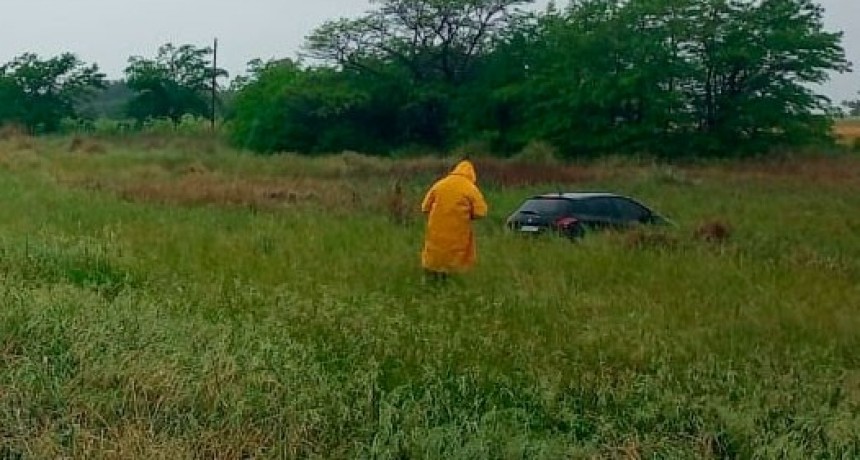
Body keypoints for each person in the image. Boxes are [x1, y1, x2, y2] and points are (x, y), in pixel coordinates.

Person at [420, 159, 488, 281]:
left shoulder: (440, 184)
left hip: (436, 230)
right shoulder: (470, 188)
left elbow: (424, 207)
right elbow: (481, 212)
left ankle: (432, 277)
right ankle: (452, 281)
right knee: (455, 257)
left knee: (435, 255)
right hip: (458, 231)